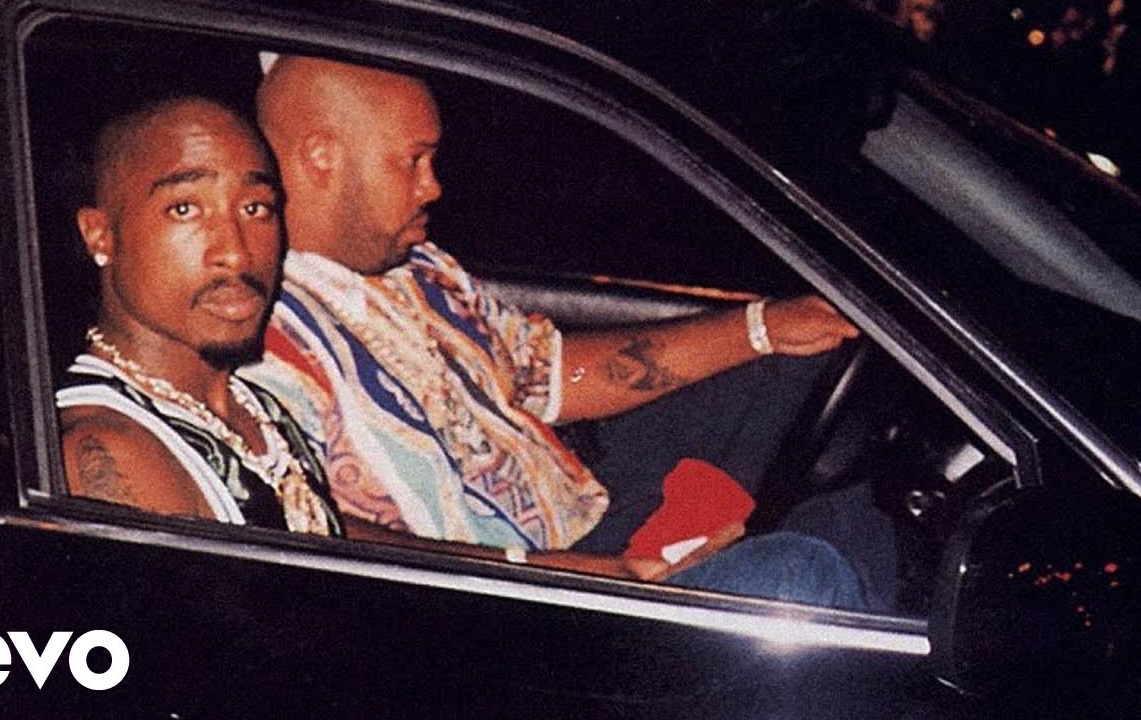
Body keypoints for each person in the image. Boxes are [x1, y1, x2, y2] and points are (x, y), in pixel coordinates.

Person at [242, 56, 867, 607]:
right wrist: (574, 572)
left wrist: (762, 328)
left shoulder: (417, 268)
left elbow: (550, 373)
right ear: (322, 157)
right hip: (503, 595)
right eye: (414, 161)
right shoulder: (256, 331)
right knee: (802, 575)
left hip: (582, 509)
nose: (432, 185)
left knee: (805, 372)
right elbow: (309, 525)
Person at [56, 96, 342, 537]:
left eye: (255, 208)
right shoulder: (110, 445)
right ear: (100, 235)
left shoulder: (257, 411)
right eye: (185, 209)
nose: (236, 253)